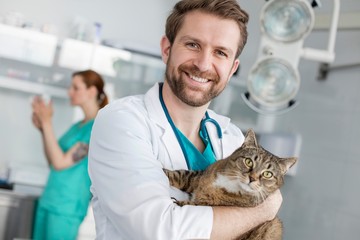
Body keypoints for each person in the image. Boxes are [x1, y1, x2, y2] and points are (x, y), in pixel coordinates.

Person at [88, 0, 283, 239]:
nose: (202, 64)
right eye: (193, 44)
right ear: (167, 49)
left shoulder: (232, 139)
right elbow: (162, 231)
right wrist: (262, 211)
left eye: (220, 52)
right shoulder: (122, 122)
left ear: (232, 69)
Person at [31, 69, 108, 240]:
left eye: (75, 87)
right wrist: (43, 129)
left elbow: (60, 163)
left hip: (66, 208)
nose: (69, 92)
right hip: (49, 200)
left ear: (92, 91)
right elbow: (52, 161)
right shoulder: (78, 126)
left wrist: (47, 122)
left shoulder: (97, 128)